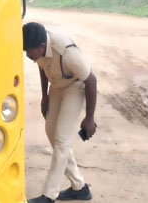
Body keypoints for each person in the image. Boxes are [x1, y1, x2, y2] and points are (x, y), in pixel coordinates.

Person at [23, 22, 97, 203]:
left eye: (29, 51)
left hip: (75, 86)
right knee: (51, 133)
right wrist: (44, 96)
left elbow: (91, 81)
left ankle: (49, 195)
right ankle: (79, 187)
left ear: (42, 46)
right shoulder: (38, 48)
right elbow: (42, 66)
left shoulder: (66, 51)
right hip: (56, 86)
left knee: (62, 139)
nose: (27, 55)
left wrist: (89, 118)